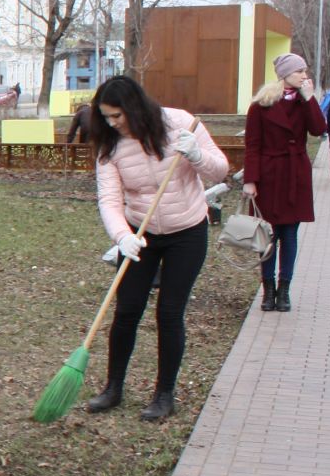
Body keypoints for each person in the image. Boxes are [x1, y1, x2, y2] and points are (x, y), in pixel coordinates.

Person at [84, 74, 230, 421]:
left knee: (169, 313)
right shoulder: (110, 147)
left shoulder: (180, 122)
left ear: (134, 107)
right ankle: (113, 387)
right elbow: (109, 199)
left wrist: (196, 155)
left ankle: (164, 394)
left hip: (187, 232)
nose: (112, 123)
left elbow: (220, 170)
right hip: (140, 234)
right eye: (105, 117)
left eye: (117, 115)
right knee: (127, 310)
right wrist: (122, 236)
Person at [244, 52, 328, 312]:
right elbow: (253, 146)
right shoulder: (261, 105)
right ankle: (267, 290)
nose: (305, 75)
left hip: (295, 174)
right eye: (299, 71)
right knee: (267, 235)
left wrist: (310, 99)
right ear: (285, 74)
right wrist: (251, 181)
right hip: (269, 176)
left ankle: (284, 291)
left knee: (290, 234)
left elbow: (318, 129)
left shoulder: (304, 102)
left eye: (305, 70)